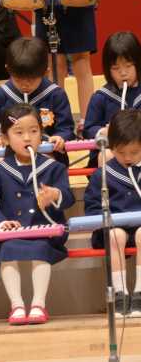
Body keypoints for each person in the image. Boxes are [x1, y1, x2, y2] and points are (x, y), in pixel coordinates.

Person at [0, 104, 75, 325]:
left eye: (33, 131)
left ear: (42, 133)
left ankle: (39, 304)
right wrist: (1, 223)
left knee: (40, 248)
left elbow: (69, 197)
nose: (27, 138)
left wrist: (55, 195)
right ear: (5, 138)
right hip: (12, 231)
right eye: (19, 132)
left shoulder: (53, 167)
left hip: (44, 229)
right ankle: (17, 305)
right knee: (7, 249)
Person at [0, 37, 75, 165]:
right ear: (8, 69)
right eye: (18, 79)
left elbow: (66, 127)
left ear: (46, 72)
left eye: (31, 80)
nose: (25, 85)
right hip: (8, 153)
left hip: (45, 152)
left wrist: (61, 137)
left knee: (50, 163)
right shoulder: (0, 95)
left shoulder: (55, 95)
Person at [84, 109, 141, 318]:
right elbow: (92, 207)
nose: (127, 158)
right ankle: (119, 293)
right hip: (113, 229)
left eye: (134, 152)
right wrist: (105, 219)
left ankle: (139, 292)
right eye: (120, 152)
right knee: (115, 235)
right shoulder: (103, 174)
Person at [84, 31, 141, 167]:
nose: (123, 73)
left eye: (128, 66)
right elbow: (88, 129)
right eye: (116, 68)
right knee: (107, 156)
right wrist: (103, 132)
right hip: (113, 151)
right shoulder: (101, 97)